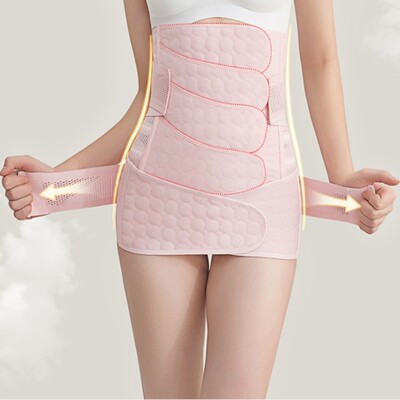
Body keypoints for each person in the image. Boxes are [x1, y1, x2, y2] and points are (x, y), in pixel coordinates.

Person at [1, 0, 399, 398]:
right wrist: (55, 184)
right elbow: (150, 97)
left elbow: (322, 60)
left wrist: (342, 176)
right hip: (157, 204)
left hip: (263, 201)